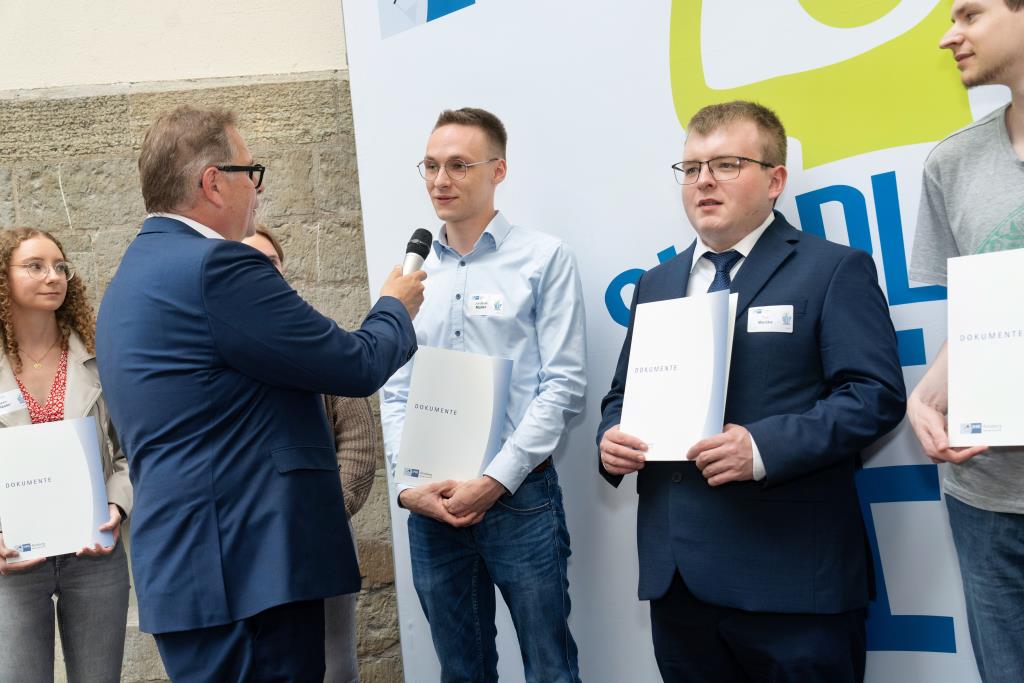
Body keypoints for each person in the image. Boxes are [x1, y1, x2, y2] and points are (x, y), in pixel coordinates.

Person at [95, 105, 424, 682]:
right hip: (248, 574)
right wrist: (395, 307)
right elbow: (355, 364)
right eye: (251, 171)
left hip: (193, 571)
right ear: (212, 183)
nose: (259, 186)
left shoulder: (132, 276)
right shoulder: (218, 267)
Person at [597, 101, 906, 682]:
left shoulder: (833, 269)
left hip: (791, 584)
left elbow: (874, 394)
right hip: (679, 584)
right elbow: (621, 395)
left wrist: (761, 448)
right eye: (691, 168)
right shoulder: (656, 284)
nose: (704, 181)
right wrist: (610, 437)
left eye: (726, 164)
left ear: (775, 180)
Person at [380, 107, 587, 683]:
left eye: (458, 165)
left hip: (518, 495)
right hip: (431, 501)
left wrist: (495, 479)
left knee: (550, 667)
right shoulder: (410, 276)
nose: (440, 180)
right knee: (460, 671)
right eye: (430, 166)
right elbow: (394, 390)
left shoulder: (543, 258)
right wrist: (406, 487)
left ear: (498, 171)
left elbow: (564, 385)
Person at [906, 2, 1024, 681]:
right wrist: (925, 395)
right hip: (987, 497)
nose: (949, 36)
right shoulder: (952, 164)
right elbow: (981, 322)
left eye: (970, 14)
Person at [244, 225, 376, 683]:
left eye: (270, 261)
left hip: (322, 536)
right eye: (247, 261)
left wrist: (323, 510)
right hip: (249, 542)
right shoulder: (214, 349)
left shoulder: (321, 340)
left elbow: (357, 442)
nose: (262, 270)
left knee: (336, 668)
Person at [0, 227, 132, 682]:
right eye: (35, 266)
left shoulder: (100, 356)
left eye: (60, 267)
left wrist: (117, 504)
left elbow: (133, 448)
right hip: (12, 557)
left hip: (93, 552)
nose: (53, 276)